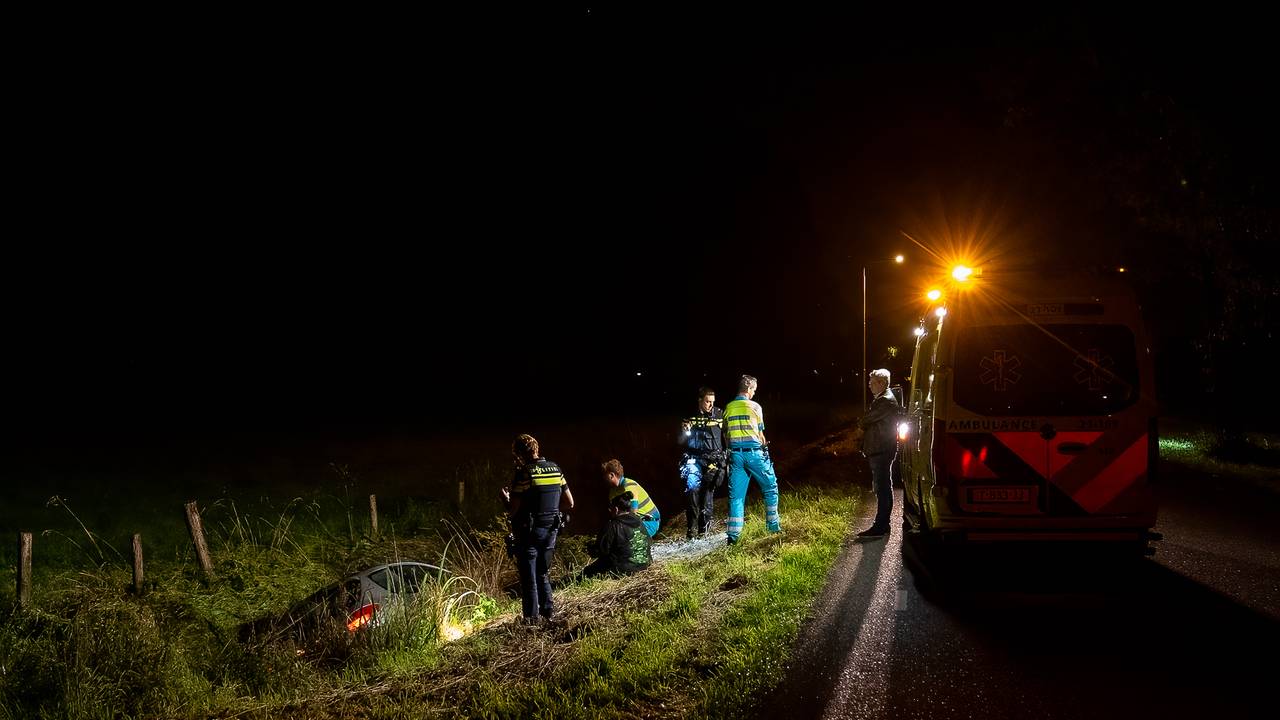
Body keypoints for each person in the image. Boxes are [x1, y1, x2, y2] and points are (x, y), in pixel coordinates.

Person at [500, 433, 575, 624]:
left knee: (529, 576)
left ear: (519, 454)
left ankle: (531, 620)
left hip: (529, 531)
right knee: (543, 572)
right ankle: (549, 613)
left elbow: (513, 510)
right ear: (536, 448)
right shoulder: (556, 469)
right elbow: (569, 503)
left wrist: (506, 500)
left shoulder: (525, 473)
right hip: (551, 530)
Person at [723, 374, 781, 544]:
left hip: (735, 455)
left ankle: (733, 537)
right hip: (754, 454)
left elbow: (726, 435)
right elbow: (761, 435)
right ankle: (773, 527)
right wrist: (764, 446)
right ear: (748, 389)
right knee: (770, 488)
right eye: (754, 390)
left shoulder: (728, 407)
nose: (754, 393)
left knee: (736, 497)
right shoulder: (755, 407)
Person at [854, 368, 900, 537]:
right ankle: (882, 524)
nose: (870, 386)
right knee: (882, 486)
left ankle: (881, 525)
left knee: (882, 487)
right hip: (881, 448)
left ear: (882, 383)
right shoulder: (883, 399)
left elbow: (866, 420)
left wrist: (862, 422)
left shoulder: (885, 401)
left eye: (872, 383)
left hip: (881, 448)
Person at [678, 386, 727, 540]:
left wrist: (726, 458)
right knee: (692, 490)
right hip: (694, 459)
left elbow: (727, 436)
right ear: (700, 401)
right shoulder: (690, 415)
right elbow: (682, 440)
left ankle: (703, 530)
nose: (710, 405)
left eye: (712, 402)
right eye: (707, 402)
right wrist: (684, 431)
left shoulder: (720, 414)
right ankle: (691, 530)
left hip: (713, 460)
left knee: (707, 493)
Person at [582, 491, 652, 578]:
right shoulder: (639, 521)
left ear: (616, 509)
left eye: (610, 509)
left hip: (624, 571)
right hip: (645, 565)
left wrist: (588, 547)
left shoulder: (613, 525)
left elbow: (601, 551)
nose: (609, 511)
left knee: (587, 571)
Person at [602, 458, 660, 537]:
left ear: (612, 475)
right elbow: (614, 515)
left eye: (605, 476)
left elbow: (633, 513)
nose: (604, 478)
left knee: (622, 536)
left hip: (650, 522)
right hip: (634, 522)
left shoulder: (630, 485)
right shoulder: (612, 492)